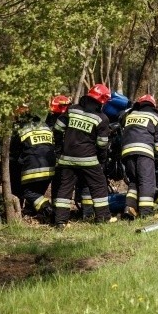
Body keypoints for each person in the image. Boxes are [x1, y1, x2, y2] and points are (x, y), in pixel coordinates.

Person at [52, 84, 112, 227]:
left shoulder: (72, 110)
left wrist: (60, 149)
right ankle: (102, 218)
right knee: (99, 186)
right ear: (102, 101)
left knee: (65, 188)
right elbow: (102, 144)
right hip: (88, 160)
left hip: (66, 159)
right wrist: (102, 161)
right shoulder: (101, 118)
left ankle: (60, 221)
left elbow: (57, 128)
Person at [121, 94, 158, 219]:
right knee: (146, 181)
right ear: (153, 105)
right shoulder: (155, 117)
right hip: (144, 152)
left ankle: (129, 208)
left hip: (127, 153)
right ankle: (146, 213)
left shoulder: (130, 115)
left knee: (134, 182)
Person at [10, 105, 56, 222]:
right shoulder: (44, 125)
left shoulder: (20, 127)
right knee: (37, 193)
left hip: (33, 168)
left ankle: (49, 210)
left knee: (29, 193)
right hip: (50, 167)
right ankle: (30, 211)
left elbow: (14, 151)